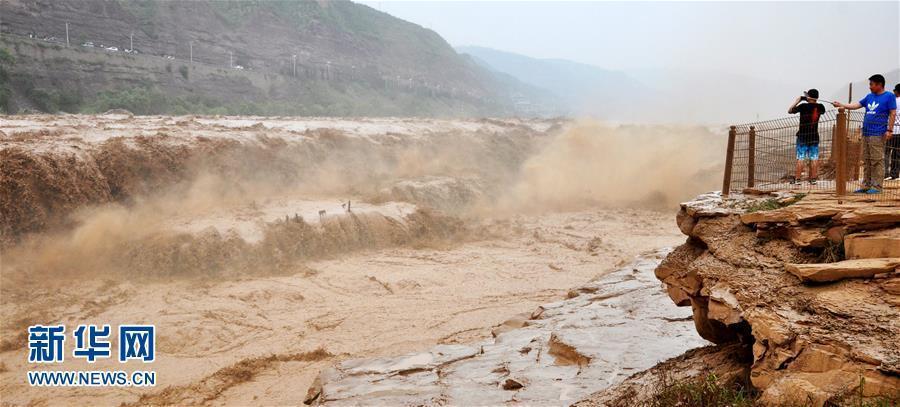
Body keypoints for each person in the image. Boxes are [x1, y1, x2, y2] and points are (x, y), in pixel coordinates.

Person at [833, 74, 897, 193]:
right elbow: (856, 105)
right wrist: (841, 105)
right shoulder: (869, 96)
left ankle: (877, 187)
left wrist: (889, 130)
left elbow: (893, 113)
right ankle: (866, 185)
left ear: (879, 84)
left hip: (878, 133)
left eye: (871, 84)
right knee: (867, 160)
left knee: (877, 160)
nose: (870, 87)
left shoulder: (889, 96)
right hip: (866, 132)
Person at [788, 89, 826, 184]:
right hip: (814, 136)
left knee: (800, 158)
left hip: (802, 136)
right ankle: (813, 179)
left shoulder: (803, 106)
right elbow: (821, 110)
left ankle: (798, 179)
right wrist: (810, 99)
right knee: (814, 158)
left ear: (808, 97)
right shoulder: (821, 107)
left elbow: (789, 111)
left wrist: (798, 100)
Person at [885, 83, 900, 181]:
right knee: (897, 153)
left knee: (886, 152)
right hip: (899, 131)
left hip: (891, 130)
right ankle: (894, 174)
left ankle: (885, 173)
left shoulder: (893, 100)